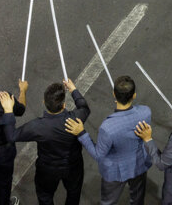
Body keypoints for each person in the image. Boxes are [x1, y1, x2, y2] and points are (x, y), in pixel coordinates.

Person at [0, 79, 90, 205]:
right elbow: (84, 107)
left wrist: (8, 111)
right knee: (73, 193)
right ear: (63, 105)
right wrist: (73, 89)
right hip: (73, 166)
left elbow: (11, 136)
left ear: (44, 102)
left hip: (47, 169)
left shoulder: (37, 126)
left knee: (45, 196)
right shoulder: (75, 119)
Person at [64, 76, 152, 205]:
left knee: (108, 202)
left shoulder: (108, 127)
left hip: (115, 172)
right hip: (139, 165)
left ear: (114, 95)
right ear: (134, 96)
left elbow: (98, 155)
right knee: (137, 199)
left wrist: (81, 133)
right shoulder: (146, 112)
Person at [0, 80, 27, 205]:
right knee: (4, 182)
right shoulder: (1, 98)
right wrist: (23, 91)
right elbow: (21, 109)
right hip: (2, 152)